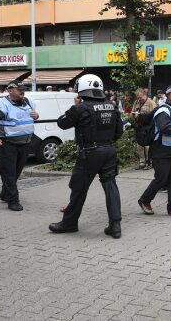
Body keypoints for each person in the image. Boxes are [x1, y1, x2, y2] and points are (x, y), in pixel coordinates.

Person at [48, 75, 124, 238]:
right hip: (109, 150)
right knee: (110, 186)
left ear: (81, 89)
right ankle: (115, 226)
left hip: (90, 153)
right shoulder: (112, 106)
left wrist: (75, 106)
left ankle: (69, 223)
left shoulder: (81, 108)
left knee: (79, 188)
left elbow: (62, 123)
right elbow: (119, 131)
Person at [0, 82, 39, 211]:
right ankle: (13, 200)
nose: (23, 92)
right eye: (20, 90)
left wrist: (36, 116)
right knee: (9, 174)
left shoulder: (28, 101)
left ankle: (5, 193)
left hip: (25, 143)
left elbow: (30, 118)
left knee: (16, 172)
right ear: (10, 91)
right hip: (8, 144)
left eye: (23, 90)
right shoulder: (1, 104)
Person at [138, 85, 171, 217]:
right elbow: (164, 128)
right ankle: (144, 201)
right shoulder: (163, 110)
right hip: (161, 152)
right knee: (161, 180)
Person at [132, 88, 156, 170]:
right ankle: (142, 162)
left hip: (148, 127)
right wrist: (134, 116)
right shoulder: (136, 102)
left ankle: (149, 162)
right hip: (139, 126)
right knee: (139, 146)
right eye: (137, 97)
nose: (139, 99)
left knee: (147, 146)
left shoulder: (151, 102)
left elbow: (155, 114)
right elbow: (132, 113)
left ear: (144, 95)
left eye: (140, 97)